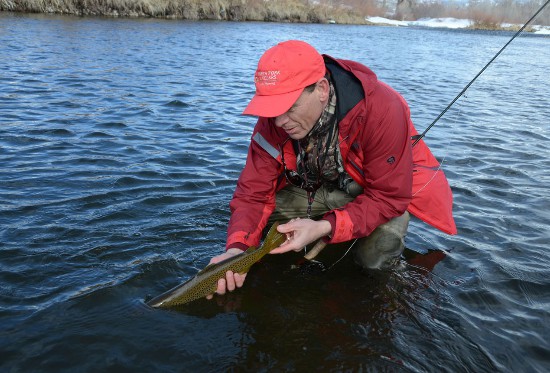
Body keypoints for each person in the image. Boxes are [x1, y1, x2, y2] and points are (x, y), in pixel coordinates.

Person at [206, 40, 457, 299]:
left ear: (322, 89)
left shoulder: (383, 109)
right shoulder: (273, 121)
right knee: (264, 233)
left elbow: (389, 196)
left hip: (379, 193)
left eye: (289, 108)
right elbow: (253, 196)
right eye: (272, 110)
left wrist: (324, 227)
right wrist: (237, 250)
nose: (279, 121)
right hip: (318, 188)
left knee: (373, 260)